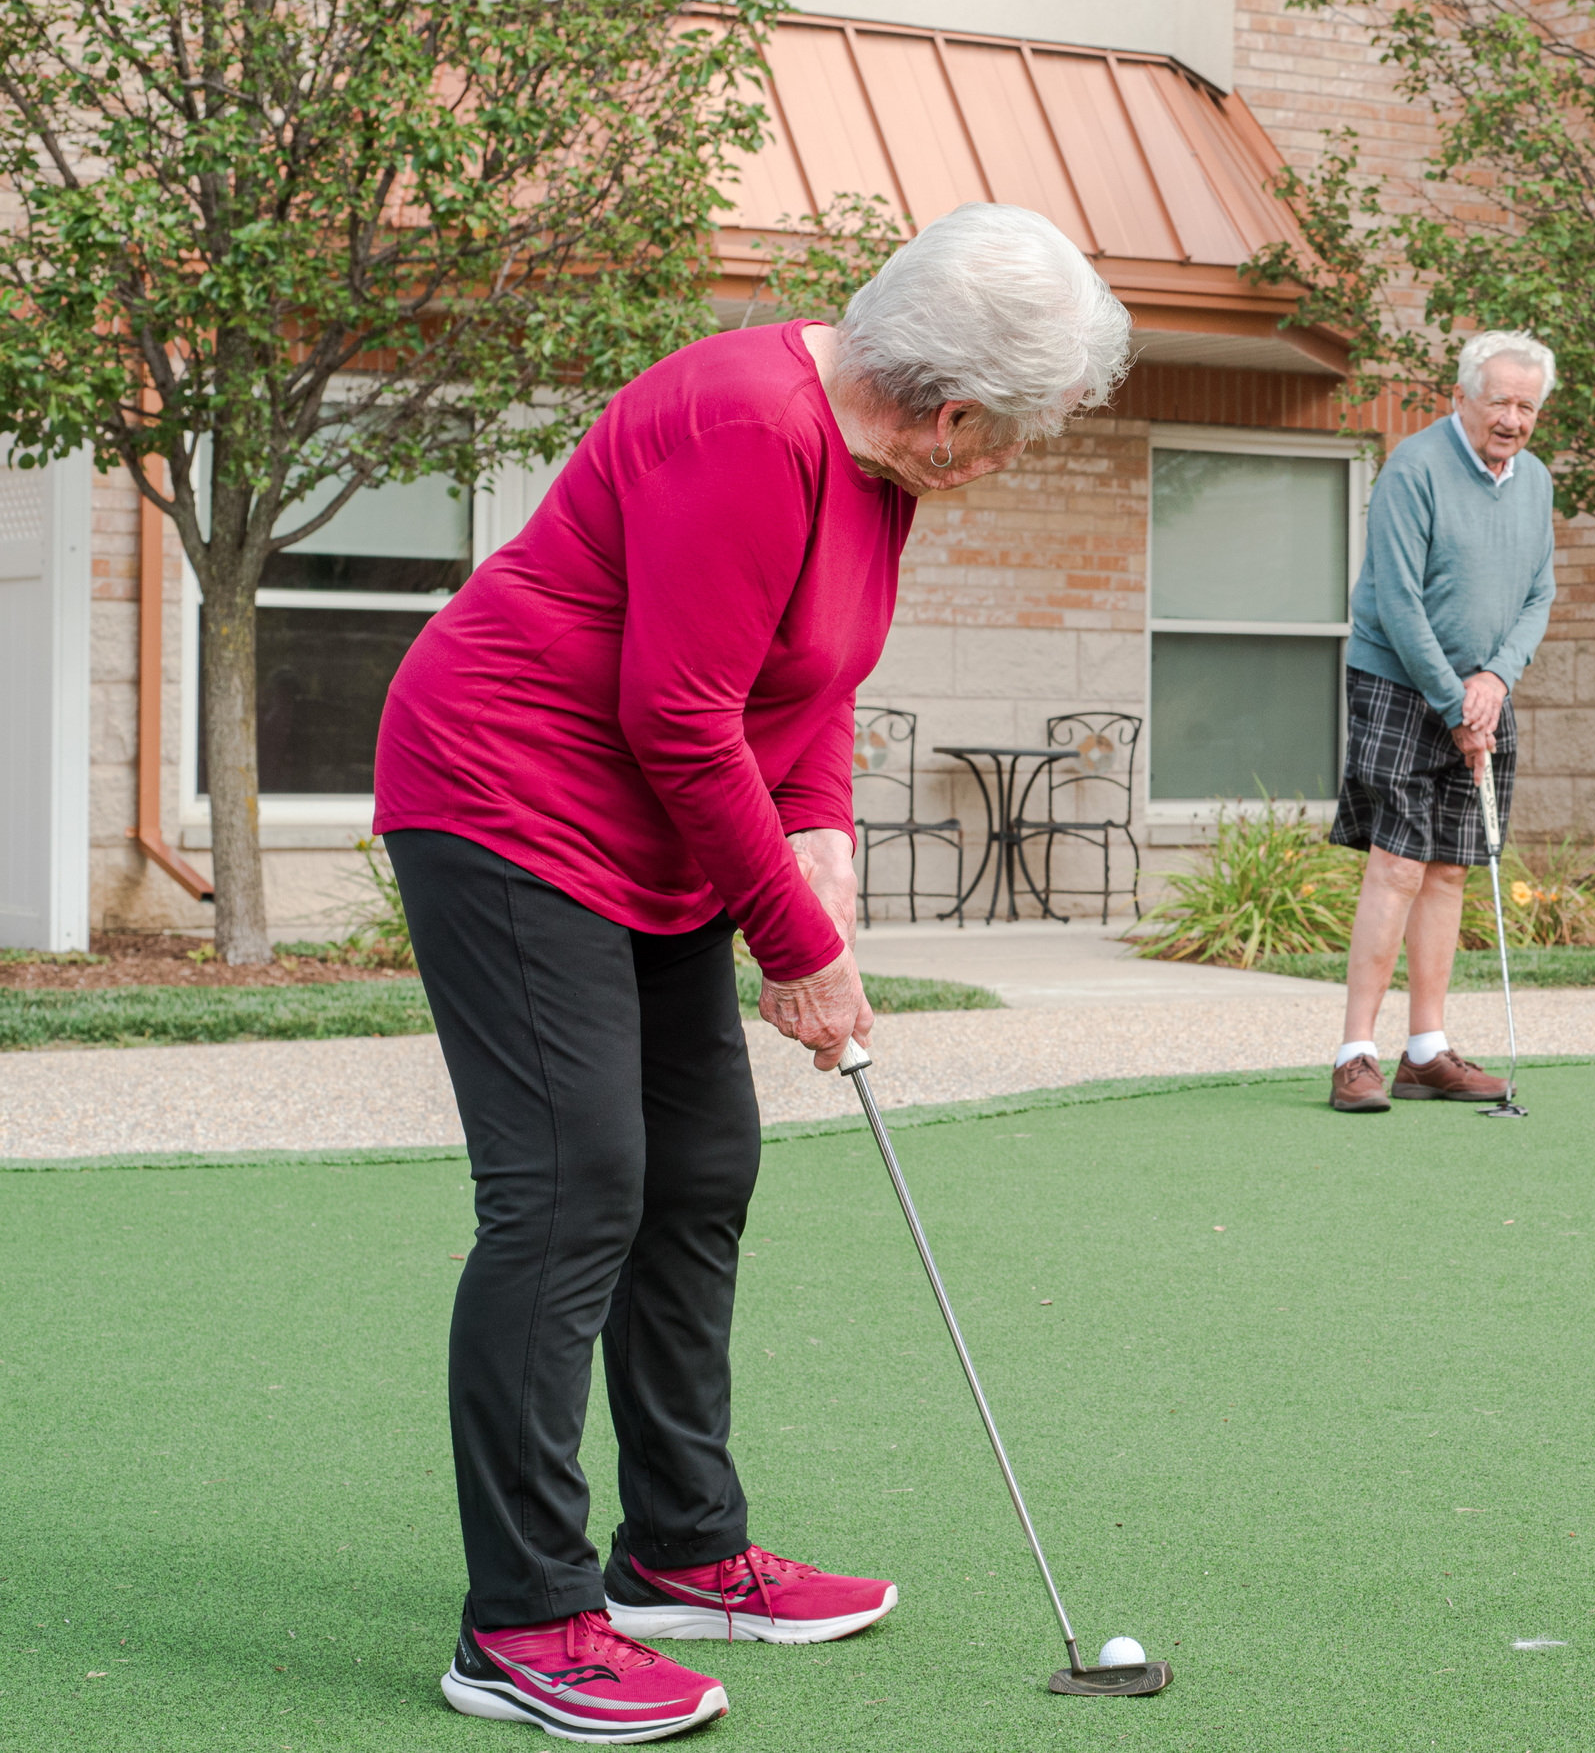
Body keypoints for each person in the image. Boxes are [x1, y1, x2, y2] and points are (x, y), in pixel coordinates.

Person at [373, 203, 1129, 1742]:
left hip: (650, 833)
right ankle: (521, 1619)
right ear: (955, 408)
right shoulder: (746, 422)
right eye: (1018, 435)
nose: (1008, 461)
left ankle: (679, 1550)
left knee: (698, 1164)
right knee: (574, 1186)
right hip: (509, 798)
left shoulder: (878, 463)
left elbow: (813, 672)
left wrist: (825, 831)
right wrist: (796, 944)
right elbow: (678, 710)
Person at [1327, 330, 1559, 1112]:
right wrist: (1452, 698)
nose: (1514, 419)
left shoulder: (1535, 484)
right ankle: (1355, 1052)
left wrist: (1494, 679)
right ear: (1461, 397)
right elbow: (1397, 602)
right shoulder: (1414, 468)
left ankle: (1425, 1050)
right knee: (1397, 865)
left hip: (1483, 697)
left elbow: (1539, 597)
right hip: (1399, 681)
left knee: (1452, 869)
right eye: (1500, 401)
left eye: (1528, 406)